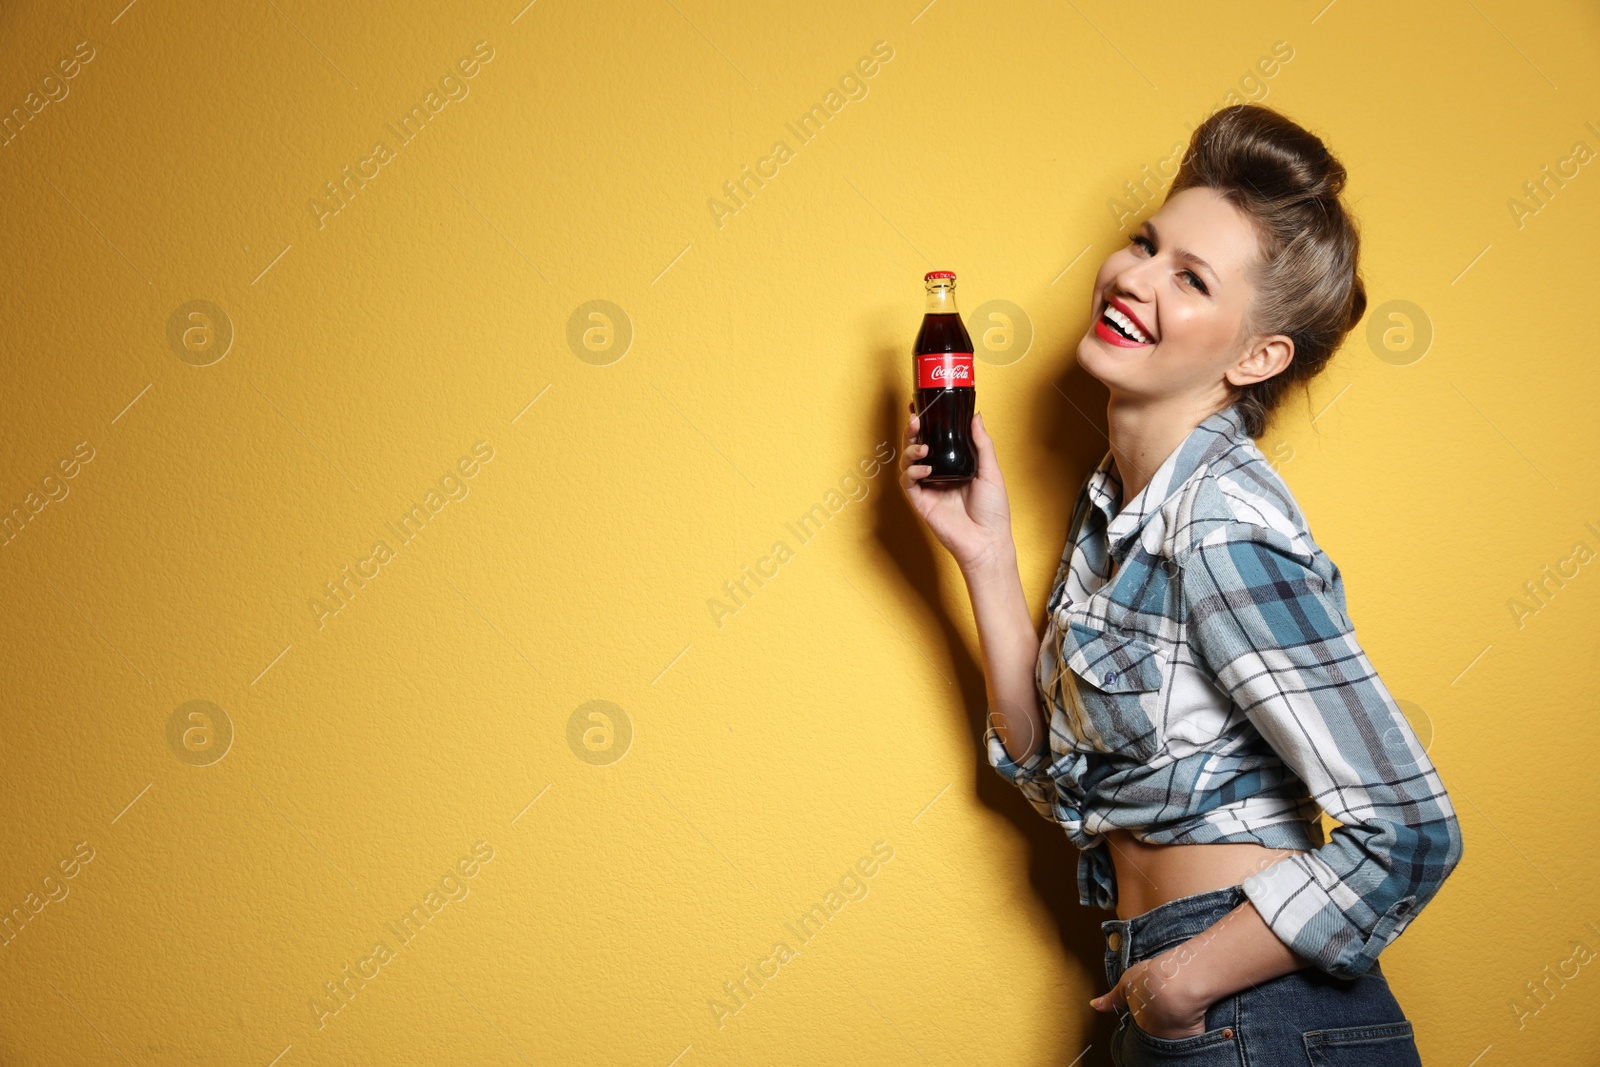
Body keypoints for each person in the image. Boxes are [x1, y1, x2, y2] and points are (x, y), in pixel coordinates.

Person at [900, 103, 1464, 1065]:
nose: (1133, 277)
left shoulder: (1219, 520)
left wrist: (1184, 981)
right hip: (1176, 993)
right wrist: (985, 556)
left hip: (1251, 1001)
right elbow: (1058, 786)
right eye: (1145, 243)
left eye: (1191, 277)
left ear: (1257, 356)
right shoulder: (1118, 514)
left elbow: (1411, 831)